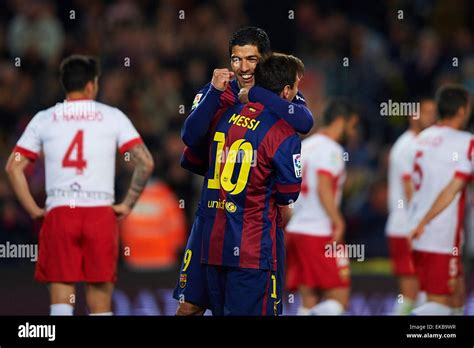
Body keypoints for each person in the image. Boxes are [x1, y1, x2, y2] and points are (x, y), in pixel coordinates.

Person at [174, 26, 313, 316]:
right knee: (188, 307)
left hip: (249, 224)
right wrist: (214, 92)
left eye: (251, 59)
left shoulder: (280, 96)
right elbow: (189, 135)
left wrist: (257, 95)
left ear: (266, 59)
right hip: (210, 218)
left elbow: (304, 121)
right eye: (236, 59)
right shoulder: (219, 91)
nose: (243, 67)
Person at [5, 55, 154, 315]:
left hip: (60, 212)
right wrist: (127, 204)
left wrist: (33, 209)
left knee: (62, 299)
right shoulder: (112, 116)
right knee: (100, 302)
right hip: (100, 212)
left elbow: (13, 167)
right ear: (91, 86)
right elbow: (145, 162)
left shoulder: (45, 118)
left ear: (66, 85)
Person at [285, 99, 359, 315]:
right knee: (340, 297)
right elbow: (323, 186)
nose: (353, 133)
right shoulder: (332, 150)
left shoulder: (305, 146)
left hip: (297, 230)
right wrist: (338, 221)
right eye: (352, 126)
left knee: (309, 299)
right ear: (339, 121)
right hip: (320, 232)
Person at [408, 85, 472, 315]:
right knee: (440, 305)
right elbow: (452, 188)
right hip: (440, 235)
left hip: (419, 233)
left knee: (457, 298)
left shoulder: (421, 139)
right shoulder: (466, 142)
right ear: (463, 111)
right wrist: (426, 219)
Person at [385, 98, 436, 315]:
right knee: (411, 294)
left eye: (434, 112)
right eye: (426, 112)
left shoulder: (424, 144)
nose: (431, 117)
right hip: (406, 226)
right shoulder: (407, 146)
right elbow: (410, 191)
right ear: (412, 115)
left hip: (417, 225)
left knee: (425, 293)